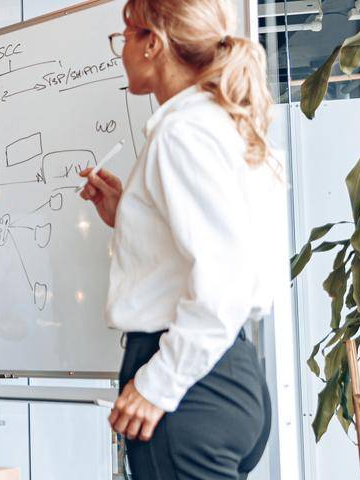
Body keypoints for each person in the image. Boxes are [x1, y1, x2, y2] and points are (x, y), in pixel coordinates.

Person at [80, 0, 282, 477]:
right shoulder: (223, 124)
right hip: (223, 373)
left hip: (189, 385)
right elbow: (224, 254)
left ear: (153, 43)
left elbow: (225, 281)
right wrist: (127, 215)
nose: (121, 50)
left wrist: (159, 384)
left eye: (125, 36)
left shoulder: (182, 133)